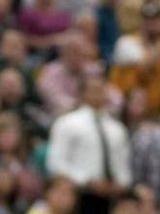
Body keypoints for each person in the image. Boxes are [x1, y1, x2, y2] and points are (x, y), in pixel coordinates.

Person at [47, 76, 132, 214]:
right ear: (82, 93)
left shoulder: (117, 129)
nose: (98, 94)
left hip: (113, 198)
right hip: (80, 195)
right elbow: (56, 163)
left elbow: (123, 165)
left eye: (101, 90)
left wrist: (121, 183)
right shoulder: (66, 123)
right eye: (93, 90)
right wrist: (86, 181)